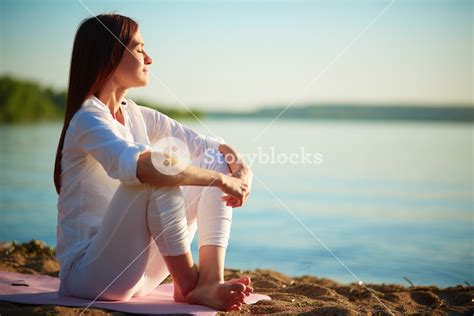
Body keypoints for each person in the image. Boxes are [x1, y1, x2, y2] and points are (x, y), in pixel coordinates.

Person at [52, 13, 253, 312]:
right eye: (139, 48)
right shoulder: (88, 119)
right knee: (155, 172)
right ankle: (188, 286)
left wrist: (241, 169)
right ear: (108, 55)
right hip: (90, 276)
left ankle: (209, 281)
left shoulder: (137, 114)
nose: (149, 58)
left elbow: (211, 148)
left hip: (142, 274)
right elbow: (145, 167)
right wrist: (220, 180)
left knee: (211, 160)